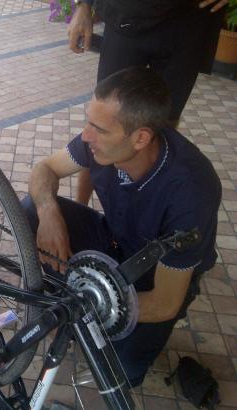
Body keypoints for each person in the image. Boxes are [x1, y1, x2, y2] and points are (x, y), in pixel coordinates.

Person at [23, 67, 221, 387]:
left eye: (98, 129)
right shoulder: (99, 143)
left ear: (140, 138)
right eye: (88, 121)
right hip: (115, 239)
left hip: (156, 273)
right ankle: (66, 296)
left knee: (119, 372)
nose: (85, 136)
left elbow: (164, 302)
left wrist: (88, 305)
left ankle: (78, 309)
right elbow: (46, 168)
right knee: (30, 209)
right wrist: (48, 213)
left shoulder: (191, 192)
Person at [66, 0, 227, 204]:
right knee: (103, 119)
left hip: (189, 22)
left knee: (163, 126)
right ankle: (81, 205)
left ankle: (142, 211)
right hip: (127, 14)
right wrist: (83, 6)